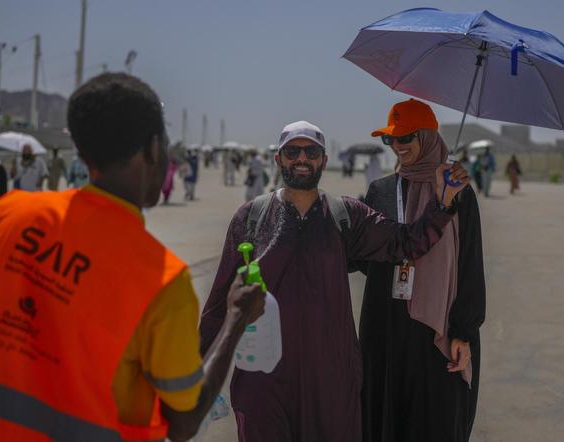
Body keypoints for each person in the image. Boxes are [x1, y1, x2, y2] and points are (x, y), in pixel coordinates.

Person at [0, 73, 265, 442]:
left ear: (82, 152)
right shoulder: (159, 279)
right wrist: (236, 319)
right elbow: (184, 420)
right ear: (152, 149)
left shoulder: (1, 216)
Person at [200, 120, 469, 442]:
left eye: (311, 151)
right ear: (278, 159)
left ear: (324, 160)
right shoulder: (251, 217)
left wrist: (442, 203)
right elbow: (219, 303)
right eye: (292, 151)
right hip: (264, 376)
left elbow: (405, 242)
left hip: (331, 376)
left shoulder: (347, 215)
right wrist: (198, 369)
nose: (302, 159)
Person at [355, 98, 485, 442]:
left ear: (427, 137)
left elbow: (470, 264)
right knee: (386, 413)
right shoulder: (380, 190)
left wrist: (464, 332)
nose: (398, 147)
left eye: (406, 137)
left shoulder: (458, 191)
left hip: (435, 329)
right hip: (385, 323)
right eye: (390, 139)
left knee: (434, 417)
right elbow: (367, 256)